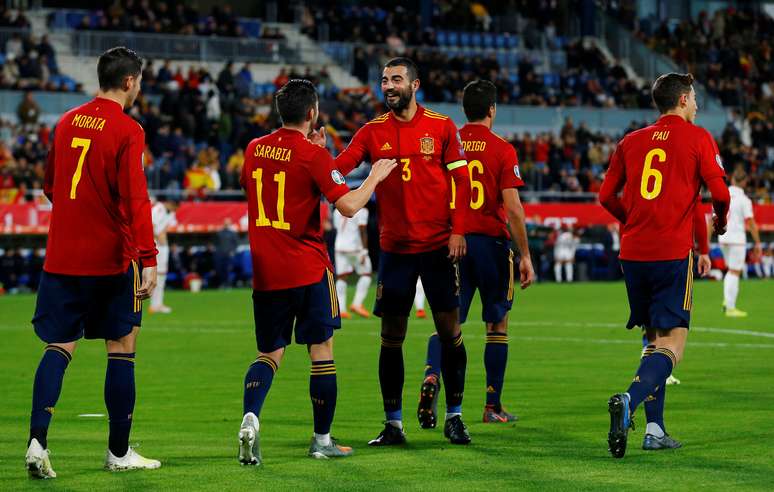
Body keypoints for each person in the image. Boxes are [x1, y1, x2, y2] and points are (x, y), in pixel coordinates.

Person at [315, 57, 473, 445]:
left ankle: (454, 416)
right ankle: (394, 424)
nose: (388, 86)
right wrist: (317, 155)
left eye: (396, 79)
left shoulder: (441, 127)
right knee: (391, 335)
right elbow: (338, 170)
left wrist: (459, 231)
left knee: (450, 332)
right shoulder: (372, 132)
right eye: (384, 80)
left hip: (438, 245)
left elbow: (463, 183)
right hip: (395, 250)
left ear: (414, 85)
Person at [237, 79, 396, 465]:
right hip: (307, 268)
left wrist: (317, 156)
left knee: (269, 353)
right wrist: (374, 176)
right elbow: (349, 206)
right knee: (321, 352)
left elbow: (279, 184)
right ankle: (322, 439)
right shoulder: (312, 156)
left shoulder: (255, 149)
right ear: (312, 113)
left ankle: (250, 418)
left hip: (266, 271)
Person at [25, 47, 161, 479]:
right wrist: (149, 257)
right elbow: (136, 200)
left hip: (62, 256)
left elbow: (50, 185)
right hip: (109, 260)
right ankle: (118, 453)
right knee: (121, 347)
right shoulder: (127, 128)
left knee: (59, 347)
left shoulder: (65, 122)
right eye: (138, 82)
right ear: (128, 82)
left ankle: (37, 442)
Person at [599, 72, 730, 458]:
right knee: (674, 343)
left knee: (653, 339)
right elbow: (719, 193)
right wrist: (720, 221)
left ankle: (655, 429)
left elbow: (606, 195)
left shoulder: (630, 141)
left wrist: (633, 220)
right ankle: (629, 400)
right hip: (671, 253)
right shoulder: (698, 137)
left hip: (633, 254)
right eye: (694, 98)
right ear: (685, 99)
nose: (697, 105)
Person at [418, 79, 535, 426]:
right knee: (496, 325)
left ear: (464, 109)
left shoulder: (446, 143)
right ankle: (491, 405)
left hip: (452, 242)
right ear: (492, 110)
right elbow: (513, 208)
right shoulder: (502, 149)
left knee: (447, 324)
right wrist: (525, 253)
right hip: (491, 246)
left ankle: (431, 377)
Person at [716, 168, 762, 317]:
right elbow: (750, 222)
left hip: (723, 237)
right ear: (744, 182)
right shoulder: (744, 200)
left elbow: (713, 218)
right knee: (735, 271)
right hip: (737, 239)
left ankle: (726, 301)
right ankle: (730, 307)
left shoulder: (722, 194)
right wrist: (758, 243)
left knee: (731, 270)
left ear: (732, 179)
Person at [333, 207, 372, 318]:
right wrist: (365, 251)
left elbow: (337, 228)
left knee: (342, 277)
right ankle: (357, 304)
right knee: (366, 274)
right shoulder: (362, 210)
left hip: (339, 246)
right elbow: (362, 230)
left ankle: (341, 309)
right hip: (355, 248)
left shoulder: (337, 210)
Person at [149, 197, 176, 313]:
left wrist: (163, 238)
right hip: (154, 244)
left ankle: (157, 304)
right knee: (153, 274)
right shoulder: (158, 209)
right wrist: (156, 237)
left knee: (161, 275)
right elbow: (151, 225)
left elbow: (165, 228)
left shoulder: (171, 213)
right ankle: (154, 304)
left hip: (162, 245)